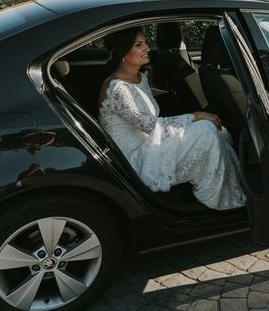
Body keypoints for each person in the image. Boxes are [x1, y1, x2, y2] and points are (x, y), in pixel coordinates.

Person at [98, 27, 246, 211]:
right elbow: (149, 125)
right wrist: (196, 116)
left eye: (145, 42)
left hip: (150, 142)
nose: (147, 48)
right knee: (205, 130)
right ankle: (214, 198)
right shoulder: (118, 89)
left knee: (219, 132)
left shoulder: (140, 77)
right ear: (123, 53)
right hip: (136, 157)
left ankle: (232, 189)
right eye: (139, 45)